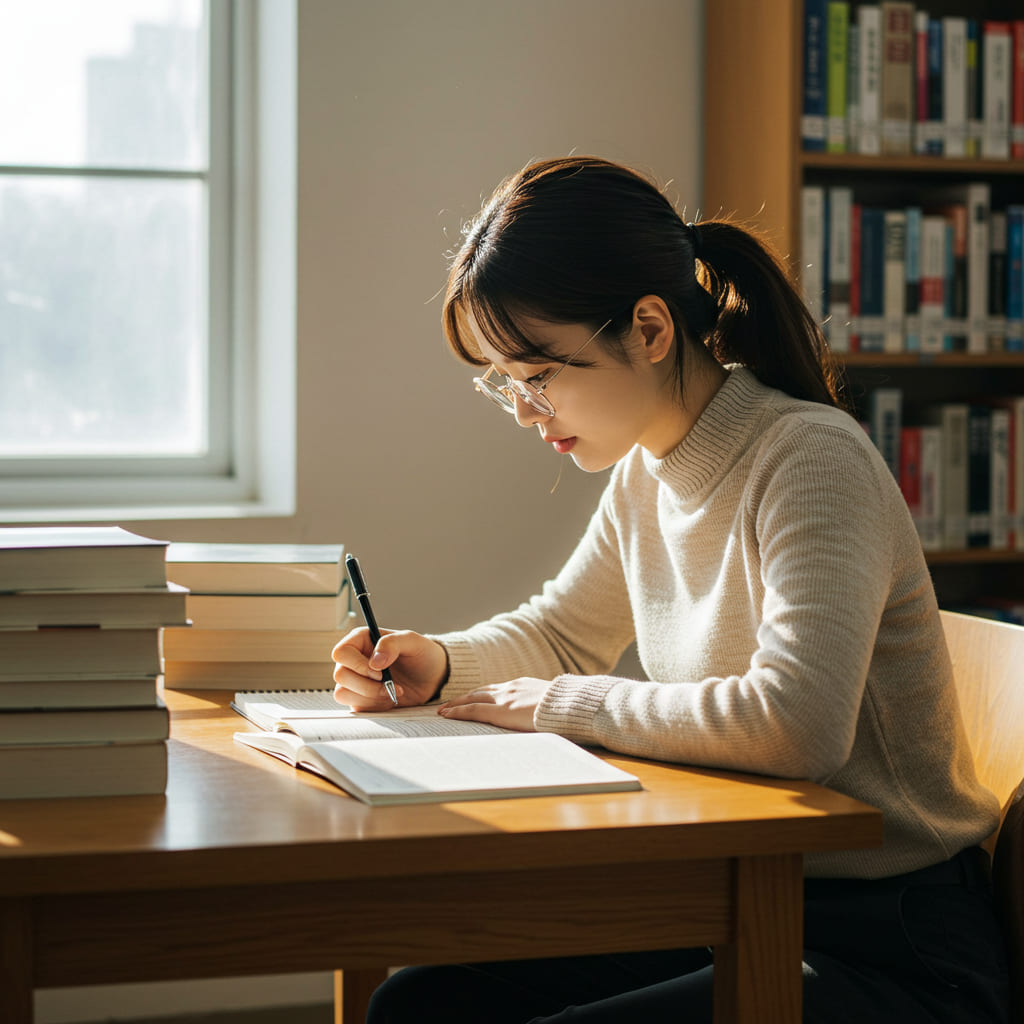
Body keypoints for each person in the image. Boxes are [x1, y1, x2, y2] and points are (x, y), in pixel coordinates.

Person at [331, 156, 1011, 1023]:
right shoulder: (648, 475)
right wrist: (440, 662)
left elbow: (798, 723)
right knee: (420, 1004)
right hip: (741, 902)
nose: (527, 412)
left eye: (539, 376)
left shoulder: (809, 460)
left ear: (649, 330)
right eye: (504, 383)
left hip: (895, 946)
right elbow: (562, 635)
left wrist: (562, 705)